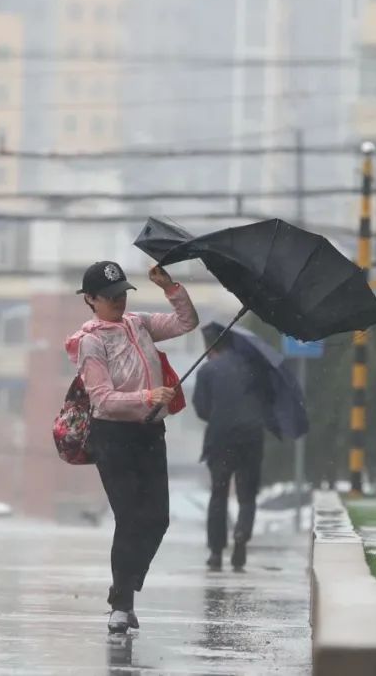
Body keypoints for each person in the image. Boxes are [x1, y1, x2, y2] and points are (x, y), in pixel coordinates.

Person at [65, 260, 199, 635]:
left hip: (150, 434)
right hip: (114, 437)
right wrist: (148, 394)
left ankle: (123, 588)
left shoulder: (138, 324)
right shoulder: (91, 340)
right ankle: (121, 606)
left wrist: (170, 288)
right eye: (109, 297)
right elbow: (103, 400)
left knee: (158, 518)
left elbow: (186, 323)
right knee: (130, 519)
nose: (118, 301)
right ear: (90, 299)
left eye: (122, 293)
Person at [192, 333, 270, 572]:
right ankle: (241, 534)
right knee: (247, 494)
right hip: (251, 437)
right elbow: (267, 401)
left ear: (210, 347)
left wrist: (220, 417)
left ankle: (216, 552)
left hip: (220, 438)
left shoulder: (207, 371)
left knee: (219, 493)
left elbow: (202, 409)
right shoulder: (255, 368)